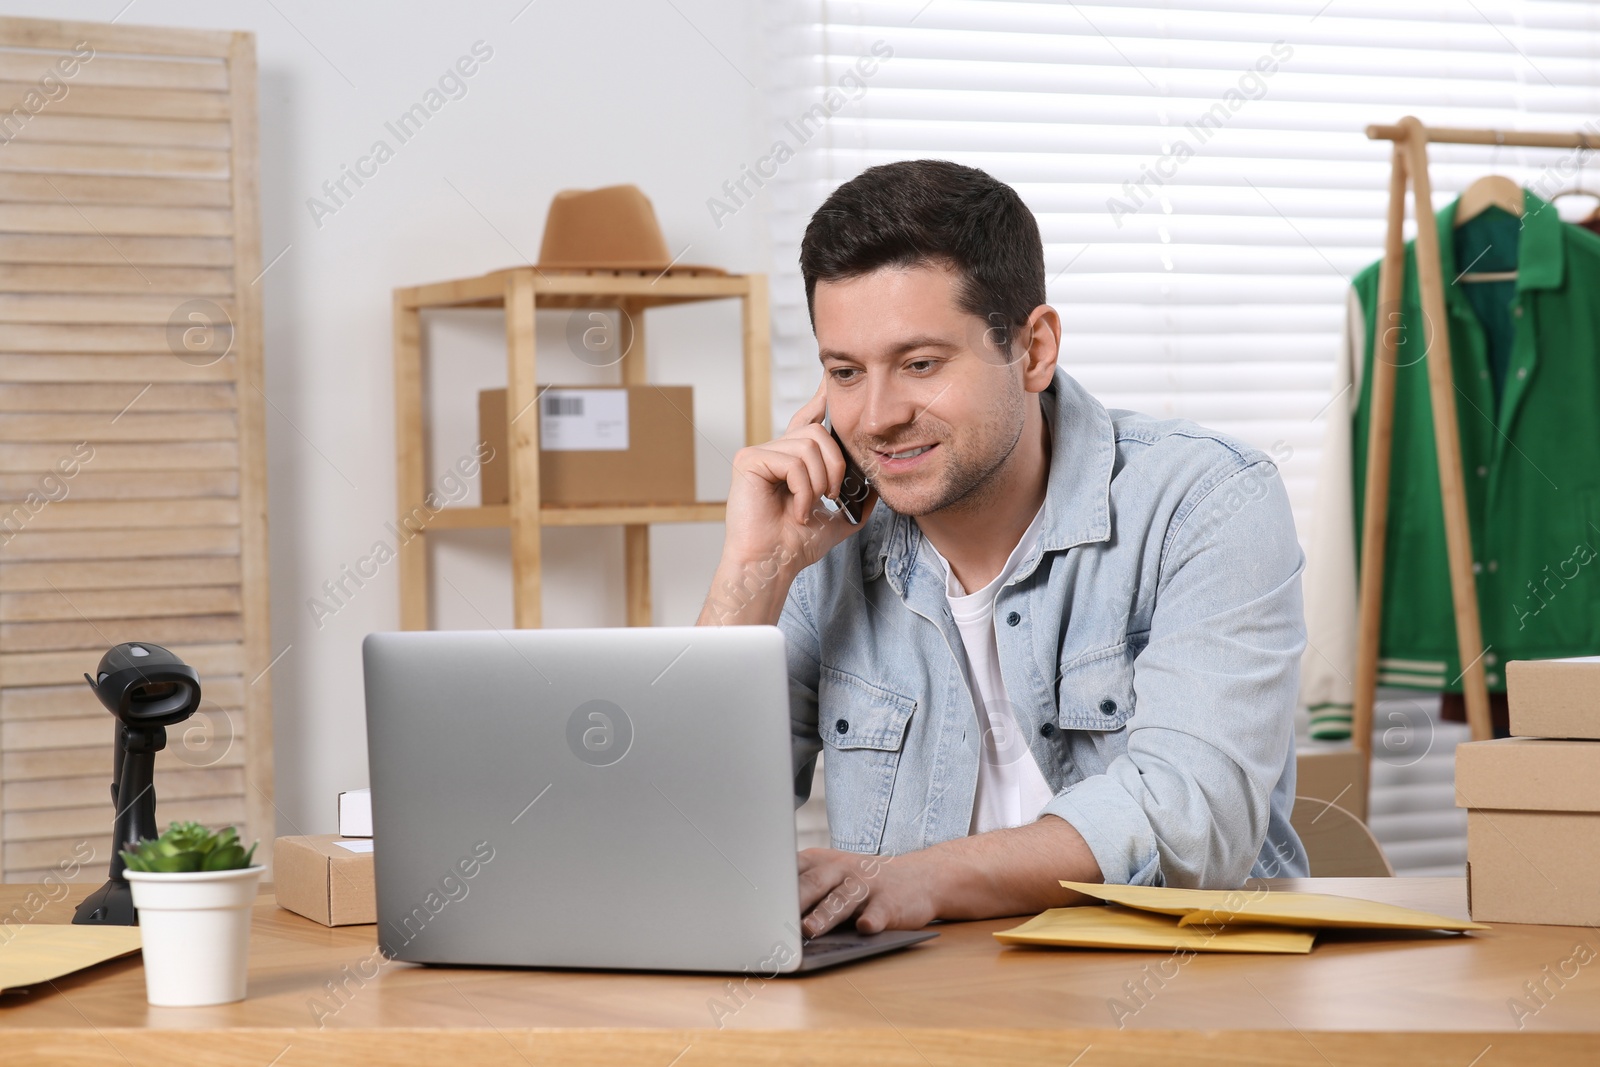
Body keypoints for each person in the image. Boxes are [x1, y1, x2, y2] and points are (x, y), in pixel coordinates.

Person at [698, 159, 1307, 938]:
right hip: (915, 1019)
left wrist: (919, 878)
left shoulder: (1207, 501)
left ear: (1034, 349)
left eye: (920, 364)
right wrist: (757, 569)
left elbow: (1194, 819)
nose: (877, 417)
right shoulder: (825, 546)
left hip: (1180, 1010)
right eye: (845, 372)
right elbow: (682, 830)